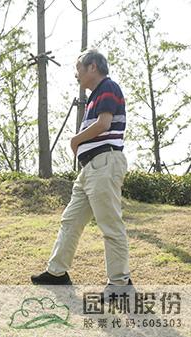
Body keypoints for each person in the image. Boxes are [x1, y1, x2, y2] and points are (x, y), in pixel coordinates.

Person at [31, 50, 131, 286]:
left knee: (110, 224)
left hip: (105, 164)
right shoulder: (94, 97)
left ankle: (120, 282)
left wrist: (75, 141)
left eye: (78, 69)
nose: (76, 75)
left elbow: (104, 124)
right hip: (90, 169)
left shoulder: (108, 87)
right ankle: (57, 272)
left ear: (92, 67)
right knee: (71, 220)